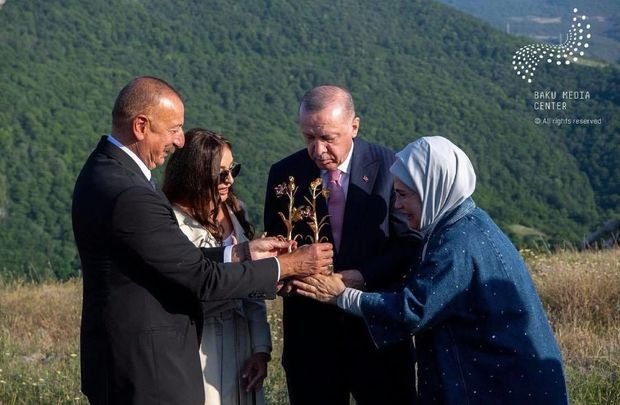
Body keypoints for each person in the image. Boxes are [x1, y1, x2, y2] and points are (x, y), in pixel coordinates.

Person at [72, 76, 333, 405]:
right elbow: (201, 278)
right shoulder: (130, 193)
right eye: (173, 129)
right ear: (140, 126)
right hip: (148, 369)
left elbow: (170, 261)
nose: (179, 140)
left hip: (131, 361)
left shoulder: (104, 172)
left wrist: (240, 252)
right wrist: (287, 265)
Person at [293, 136, 569, 404]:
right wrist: (361, 279)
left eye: (403, 195)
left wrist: (341, 295)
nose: (397, 205)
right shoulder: (463, 224)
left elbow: (413, 310)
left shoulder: (458, 243)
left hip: (500, 385)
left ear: (433, 189)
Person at [263, 85, 418, 405]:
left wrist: (359, 277)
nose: (318, 149)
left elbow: (409, 243)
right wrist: (285, 274)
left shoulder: (389, 168)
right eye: (309, 137)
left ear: (354, 126)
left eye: (328, 138)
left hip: (376, 336)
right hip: (311, 338)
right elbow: (276, 245)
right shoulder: (284, 174)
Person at [162, 128, 271, 405]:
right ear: (195, 173)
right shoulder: (171, 222)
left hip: (241, 342)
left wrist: (261, 349)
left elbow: (252, 288)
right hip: (199, 345)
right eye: (221, 174)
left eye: (233, 170)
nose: (230, 180)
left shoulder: (235, 211)